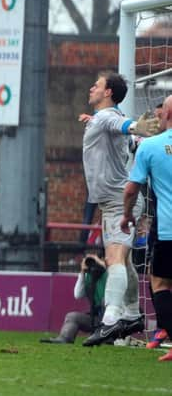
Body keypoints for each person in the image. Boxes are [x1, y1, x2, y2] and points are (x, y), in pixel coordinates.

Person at [81, 71, 160, 347]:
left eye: (97, 84)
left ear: (108, 93)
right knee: (123, 262)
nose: (91, 87)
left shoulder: (107, 117)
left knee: (114, 259)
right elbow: (123, 132)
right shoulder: (101, 119)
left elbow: (124, 126)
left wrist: (137, 126)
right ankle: (132, 318)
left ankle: (110, 322)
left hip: (119, 202)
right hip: (111, 201)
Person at [121, 94, 172, 361]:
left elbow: (131, 189)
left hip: (168, 229)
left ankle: (166, 330)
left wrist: (126, 215)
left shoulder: (151, 146)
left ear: (166, 114)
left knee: (160, 283)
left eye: (162, 109)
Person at [40, 254, 107, 344]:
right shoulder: (88, 276)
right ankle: (65, 338)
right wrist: (83, 273)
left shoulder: (111, 274)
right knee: (72, 316)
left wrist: (100, 263)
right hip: (96, 319)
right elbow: (78, 294)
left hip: (112, 321)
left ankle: (109, 338)